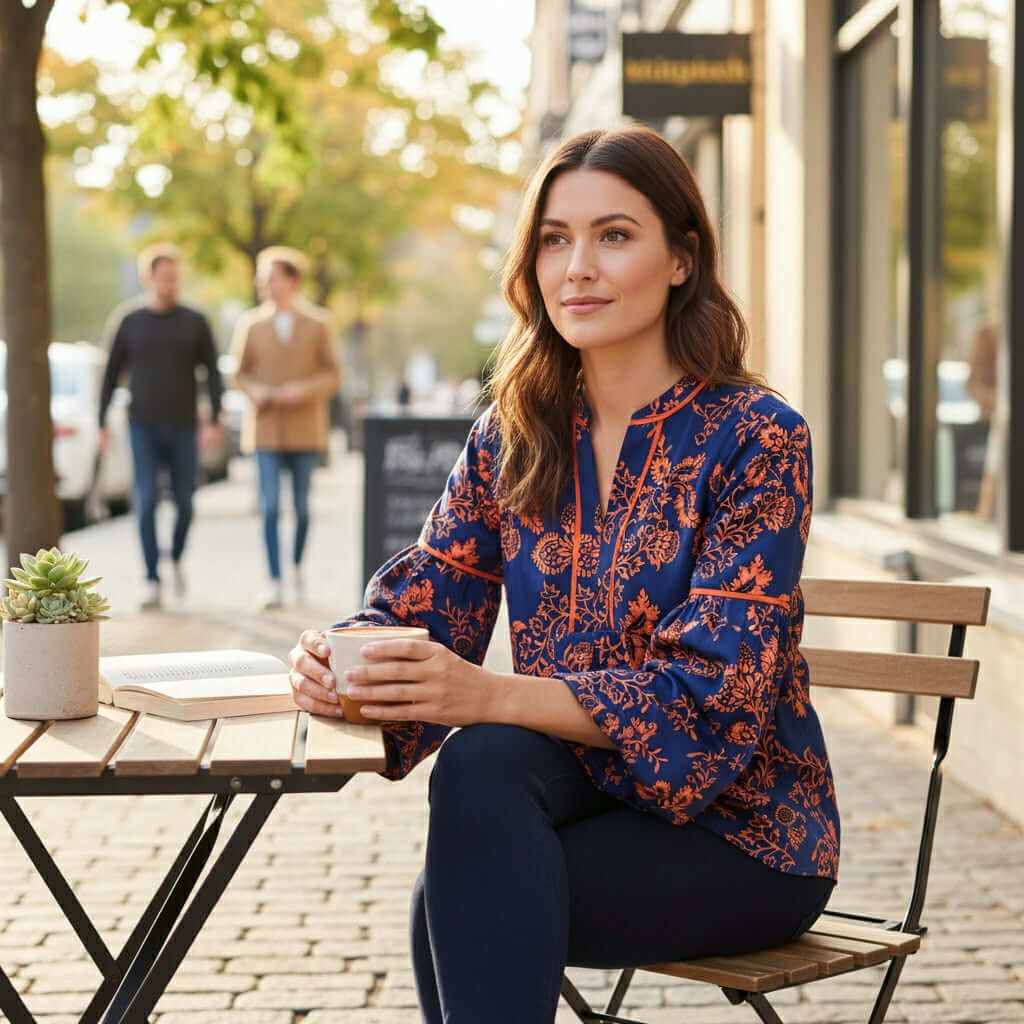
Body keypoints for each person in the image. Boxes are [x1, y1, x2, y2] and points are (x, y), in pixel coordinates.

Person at [288, 126, 840, 1022]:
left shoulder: (758, 436)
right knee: (480, 774)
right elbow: (427, 599)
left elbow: (713, 691)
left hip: (744, 831)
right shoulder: (518, 432)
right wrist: (342, 657)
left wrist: (488, 693)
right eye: (554, 238)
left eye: (614, 235)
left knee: (461, 888)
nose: (577, 266)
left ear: (680, 259)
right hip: (579, 800)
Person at [99, 243, 223, 610]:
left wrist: (214, 417)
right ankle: (152, 578)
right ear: (148, 277)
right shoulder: (129, 321)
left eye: (175, 276)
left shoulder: (194, 321)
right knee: (147, 498)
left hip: (184, 425)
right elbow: (109, 374)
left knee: (185, 501)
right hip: (143, 425)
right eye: (164, 276)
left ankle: (177, 557)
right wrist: (100, 421)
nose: (171, 283)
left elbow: (213, 372)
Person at [232, 246, 341, 609]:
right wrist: (256, 390)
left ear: (291, 280)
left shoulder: (319, 323)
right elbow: (238, 373)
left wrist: (303, 391)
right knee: (270, 506)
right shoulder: (250, 324)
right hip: (264, 429)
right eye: (262, 276)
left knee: (302, 507)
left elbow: (334, 374)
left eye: (271, 276)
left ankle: (296, 567)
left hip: (305, 428)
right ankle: (274, 580)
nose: (264, 283)